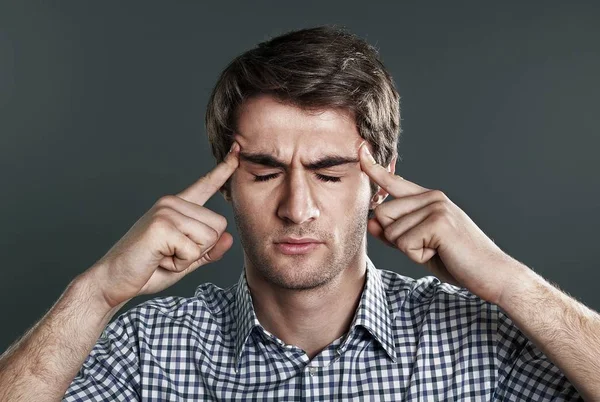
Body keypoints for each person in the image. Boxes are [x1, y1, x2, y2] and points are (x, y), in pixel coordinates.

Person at [0, 25, 597, 401]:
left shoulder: (483, 343)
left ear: (380, 182)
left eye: (330, 174)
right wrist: (97, 293)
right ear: (226, 183)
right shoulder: (146, 348)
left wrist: (512, 284)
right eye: (263, 173)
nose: (297, 208)